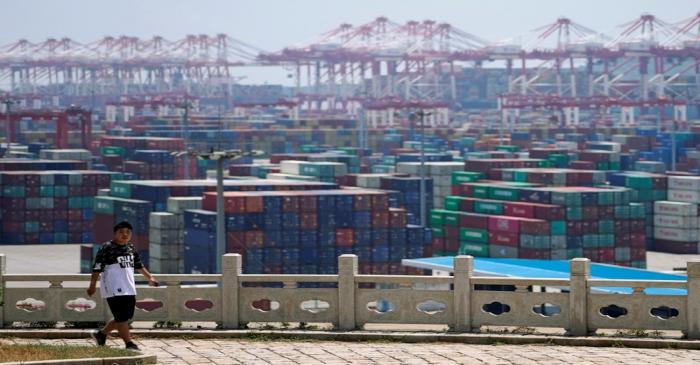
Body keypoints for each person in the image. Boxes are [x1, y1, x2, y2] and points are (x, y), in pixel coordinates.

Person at [87, 221, 159, 350]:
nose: (125, 234)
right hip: (113, 287)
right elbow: (97, 268)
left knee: (126, 316)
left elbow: (139, 266)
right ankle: (129, 344)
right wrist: (92, 285)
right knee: (121, 318)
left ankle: (101, 334)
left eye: (128, 232)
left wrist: (150, 278)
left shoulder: (130, 248)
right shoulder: (107, 247)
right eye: (121, 232)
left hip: (129, 287)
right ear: (115, 234)